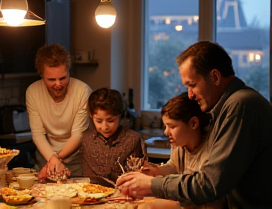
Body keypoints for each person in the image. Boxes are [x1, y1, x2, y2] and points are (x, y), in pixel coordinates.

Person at [116, 41, 272, 209]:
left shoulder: (240, 107)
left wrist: (152, 184)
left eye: (192, 85)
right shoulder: (228, 108)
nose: (190, 95)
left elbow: (210, 184)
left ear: (215, 77)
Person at [26, 43, 92, 180]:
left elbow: (78, 136)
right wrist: (52, 160)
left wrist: (55, 159)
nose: (58, 84)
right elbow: (38, 135)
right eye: (51, 79)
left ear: (69, 71)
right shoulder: (32, 92)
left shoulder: (83, 91)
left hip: (76, 160)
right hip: (45, 158)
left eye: (62, 78)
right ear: (41, 75)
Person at [80, 87, 147, 187]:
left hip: (124, 195)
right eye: (99, 121)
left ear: (120, 115)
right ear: (91, 115)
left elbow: (138, 178)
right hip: (91, 194)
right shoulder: (85, 139)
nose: (105, 127)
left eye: (110, 121)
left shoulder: (133, 140)